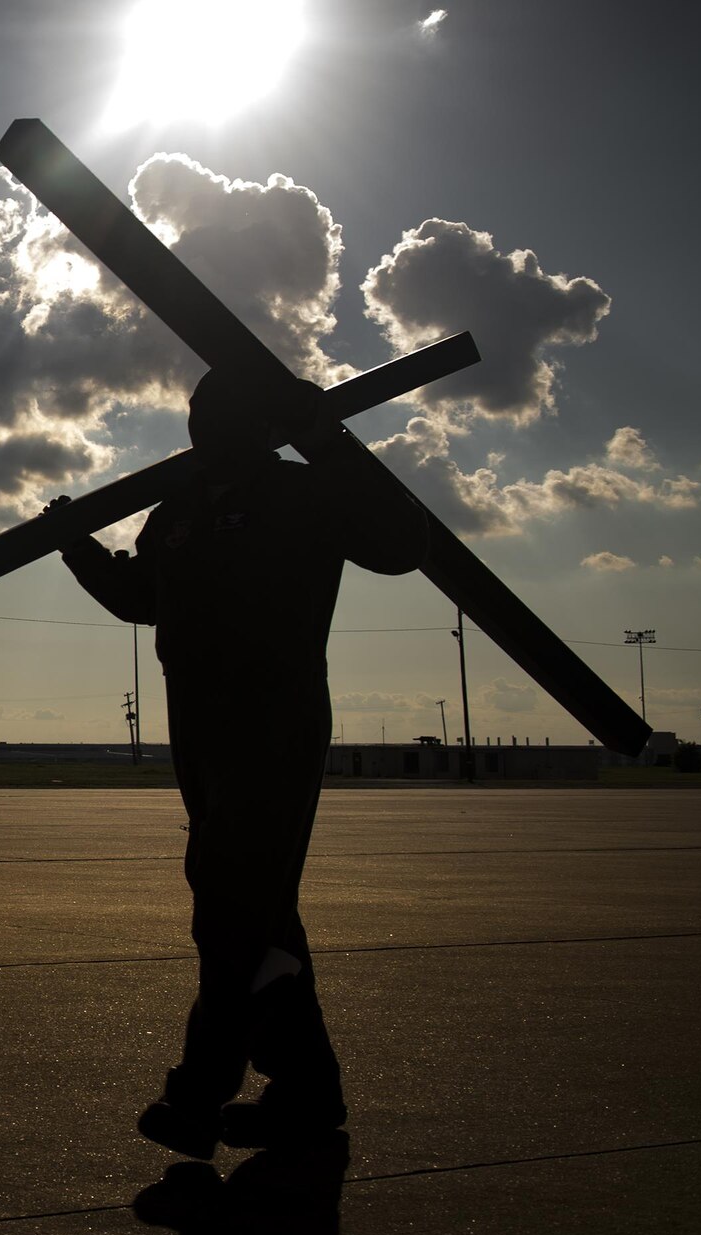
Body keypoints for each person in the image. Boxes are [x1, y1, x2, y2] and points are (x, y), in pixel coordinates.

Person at [52, 367, 429, 1158]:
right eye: (196, 409)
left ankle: (200, 1091)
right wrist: (75, 548)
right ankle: (307, 1091)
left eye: (221, 411)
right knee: (258, 912)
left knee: (226, 902)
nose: (203, 423)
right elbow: (139, 596)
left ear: (263, 423)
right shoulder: (180, 508)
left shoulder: (303, 492)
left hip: (277, 721)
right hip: (199, 725)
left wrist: (328, 442)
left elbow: (399, 546)